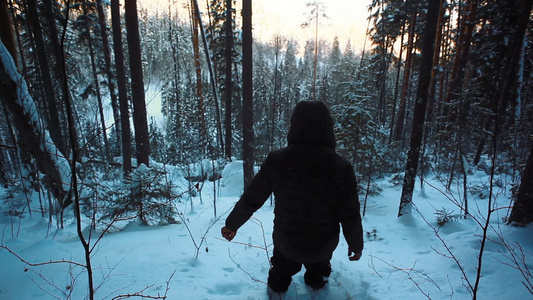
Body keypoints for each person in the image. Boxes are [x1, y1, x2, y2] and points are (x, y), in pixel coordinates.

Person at [221, 100, 363, 294]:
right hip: (322, 245)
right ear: (328, 128)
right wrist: (356, 245)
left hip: (286, 242)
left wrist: (232, 224)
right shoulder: (341, 167)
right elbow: (350, 213)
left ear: (295, 125)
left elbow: (253, 197)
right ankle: (317, 283)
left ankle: (278, 288)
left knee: (280, 276)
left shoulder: (278, 160)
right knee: (318, 277)